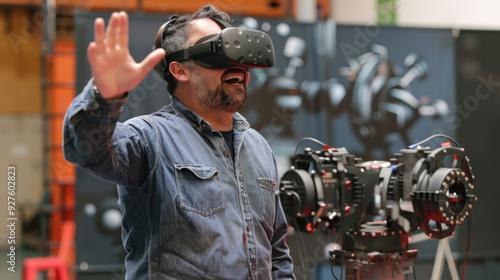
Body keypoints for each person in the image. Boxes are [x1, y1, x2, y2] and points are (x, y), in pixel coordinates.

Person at [62, 4, 295, 280]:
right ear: (180, 71)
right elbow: (85, 149)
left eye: (236, 49)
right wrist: (105, 97)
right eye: (217, 50)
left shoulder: (258, 147)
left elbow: (276, 249)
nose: (235, 61)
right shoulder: (151, 139)